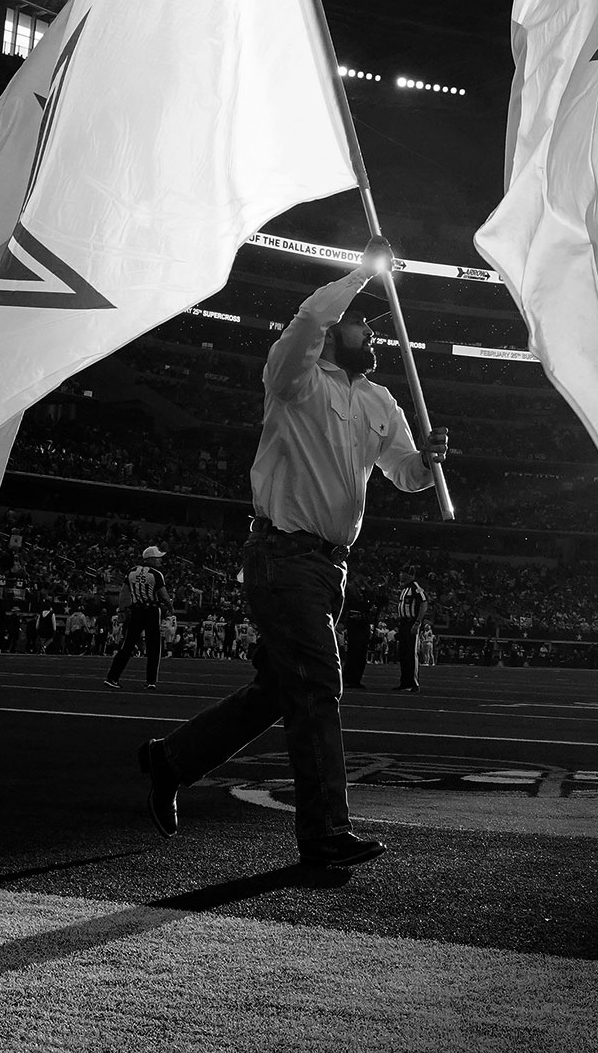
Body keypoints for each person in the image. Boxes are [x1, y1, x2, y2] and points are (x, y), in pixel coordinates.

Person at [137, 244, 448, 871]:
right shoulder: (296, 377)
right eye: (363, 322)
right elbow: (308, 321)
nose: (373, 332)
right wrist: (362, 274)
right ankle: (325, 832)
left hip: (330, 567)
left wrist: (428, 462)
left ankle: (171, 760)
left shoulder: (380, 401)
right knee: (318, 686)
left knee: (280, 691)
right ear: (335, 334)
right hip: (282, 556)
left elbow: (405, 475)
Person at [104, 546, 169, 690]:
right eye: (158, 558)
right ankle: (151, 680)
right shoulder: (156, 574)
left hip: (136, 611)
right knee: (154, 647)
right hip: (151, 610)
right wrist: (170, 606)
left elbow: (124, 593)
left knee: (127, 645)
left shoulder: (132, 572)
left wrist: (122, 609)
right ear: (151, 559)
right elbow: (163, 595)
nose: (160, 561)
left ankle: (112, 677)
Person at [393, 577, 431, 692]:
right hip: (404, 623)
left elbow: (424, 603)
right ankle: (405, 682)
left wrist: (417, 622)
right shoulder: (405, 588)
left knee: (411, 652)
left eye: (402, 574)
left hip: (411, 622)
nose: (400, 576)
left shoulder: (415, 587)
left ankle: (413, 683)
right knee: (403, 653)